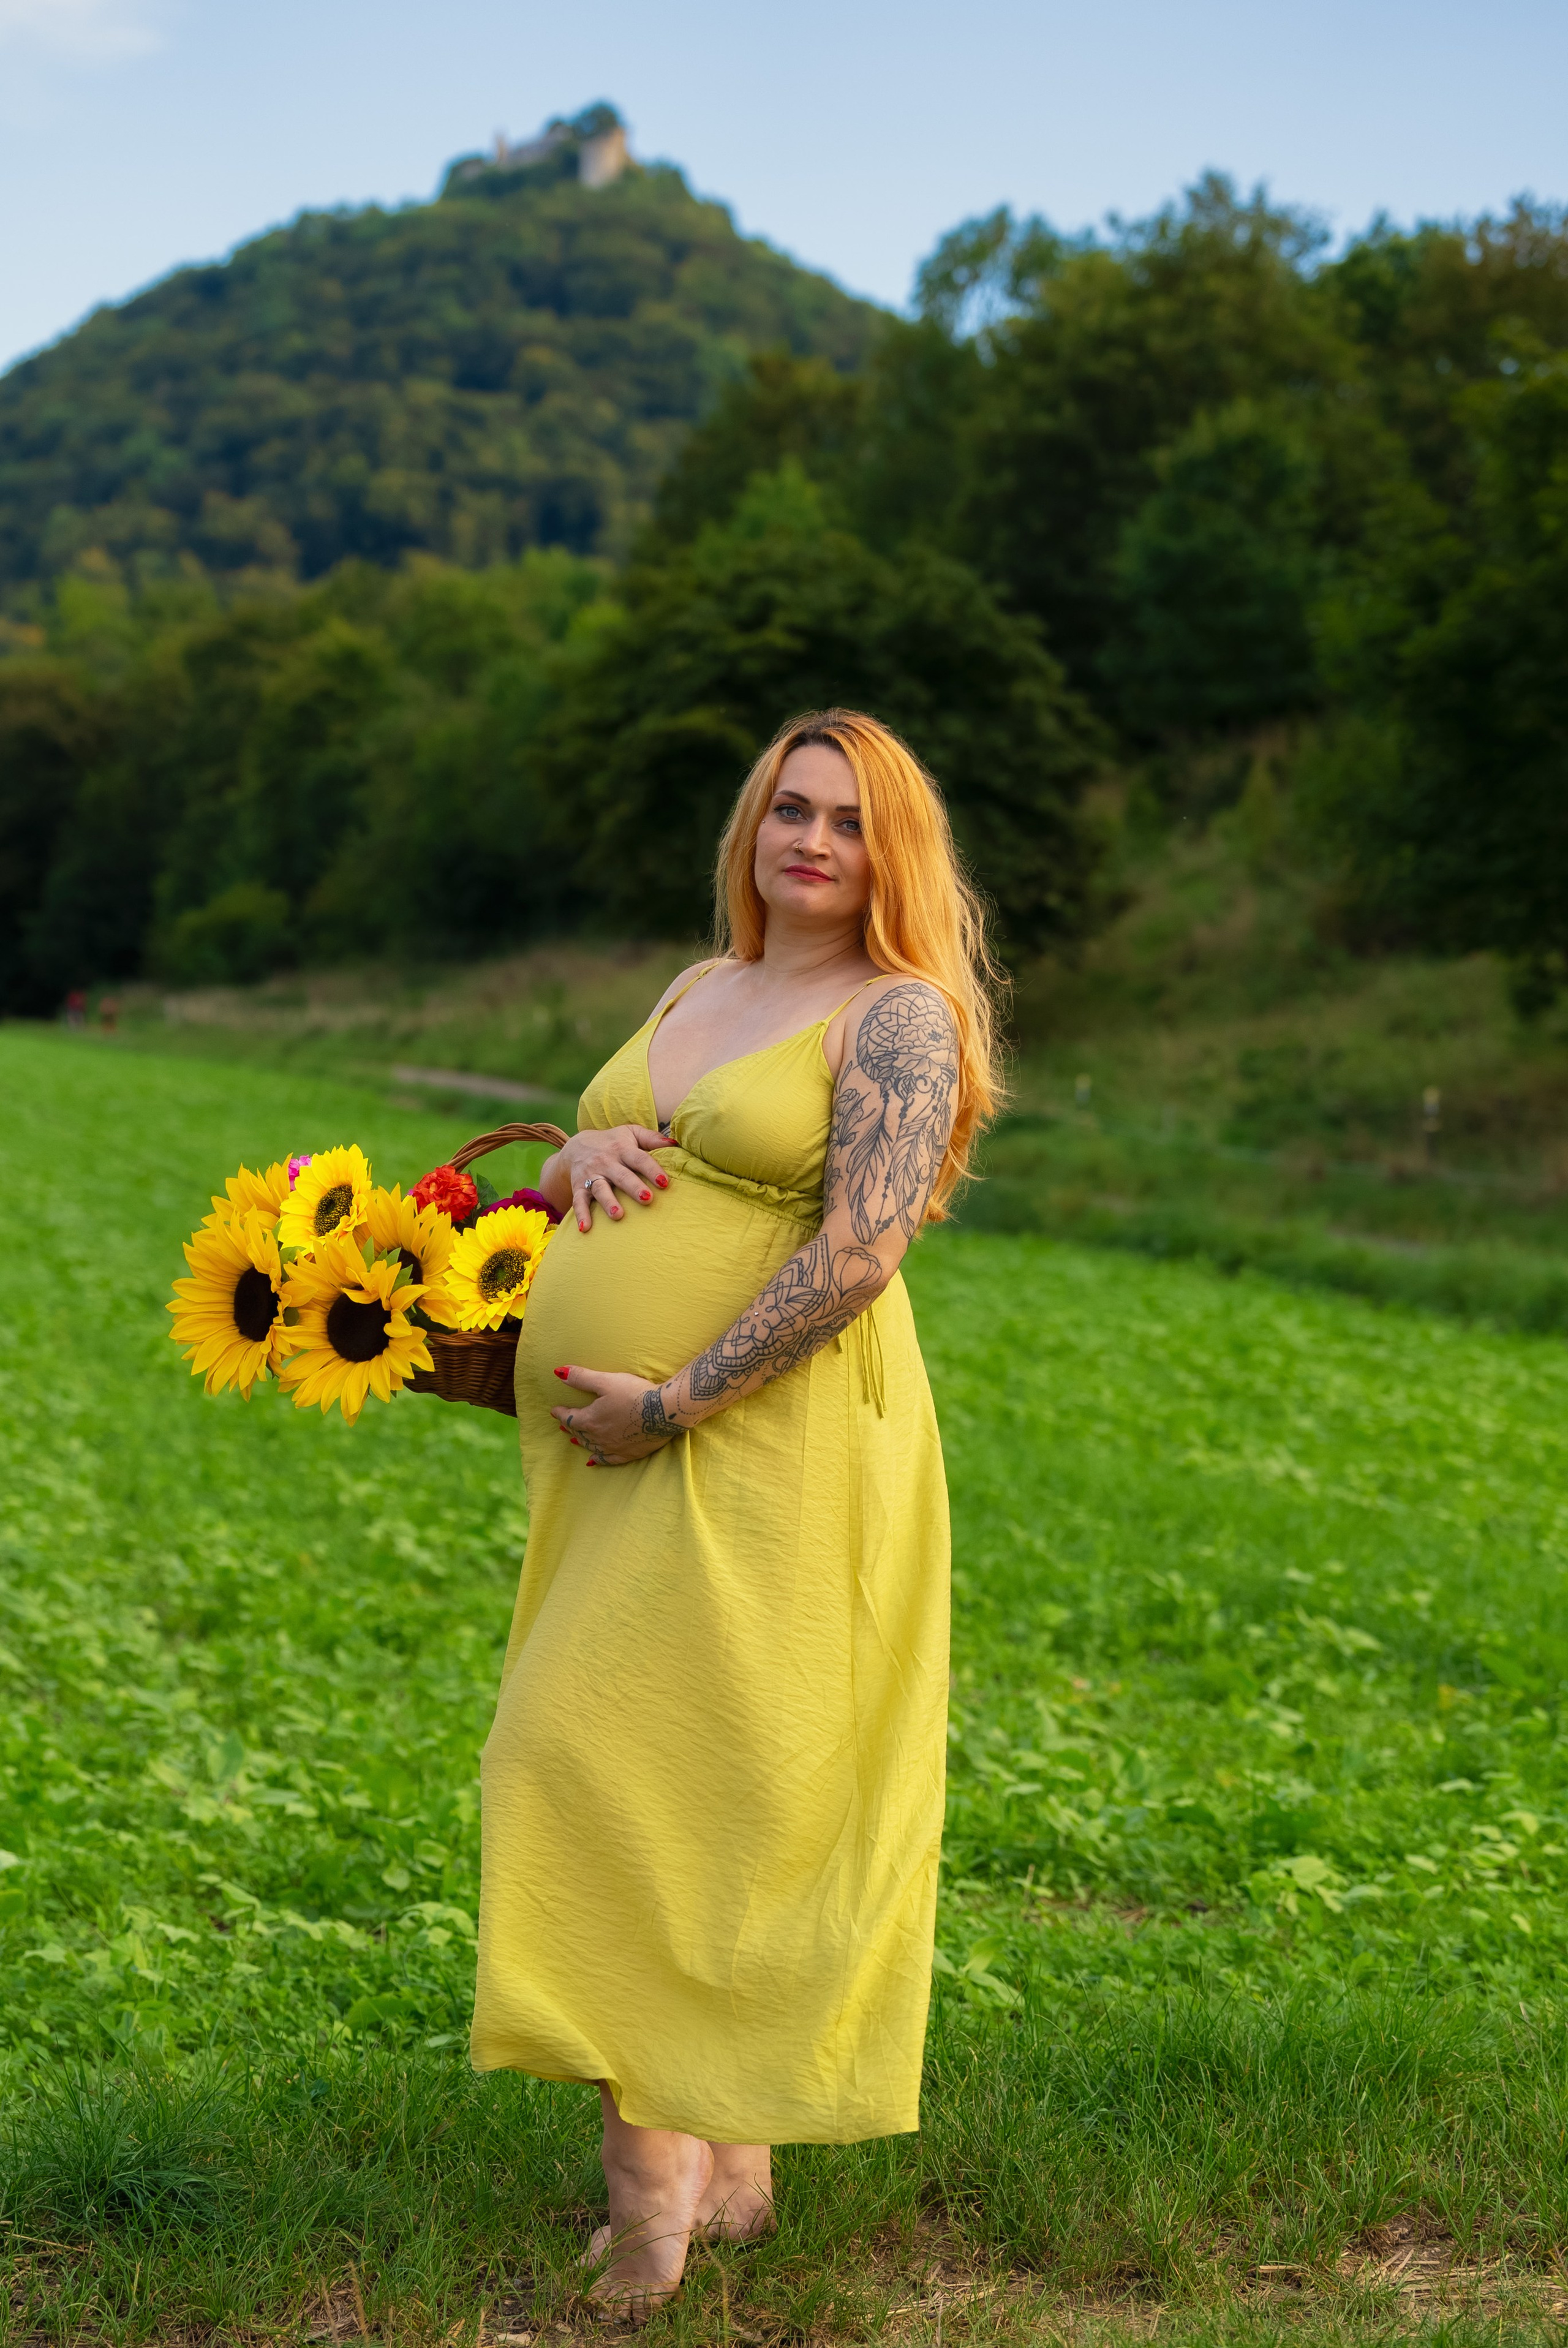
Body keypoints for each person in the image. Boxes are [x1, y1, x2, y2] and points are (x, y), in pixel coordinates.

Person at [470, 708, 1001, 2317]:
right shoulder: (703, 987)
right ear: (754, 828)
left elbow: (859, 1252)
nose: (813, 841)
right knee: (693, 1777)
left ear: (888, 848)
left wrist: (678, 1397)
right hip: (604, 1454)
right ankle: (735, 2155)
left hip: (767, 1445)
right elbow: (614, 1171)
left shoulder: (897, 1018)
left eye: (847, 819)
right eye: (791, 808)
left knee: (610, 1763)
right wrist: (578, 1154)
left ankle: (649, 2214)